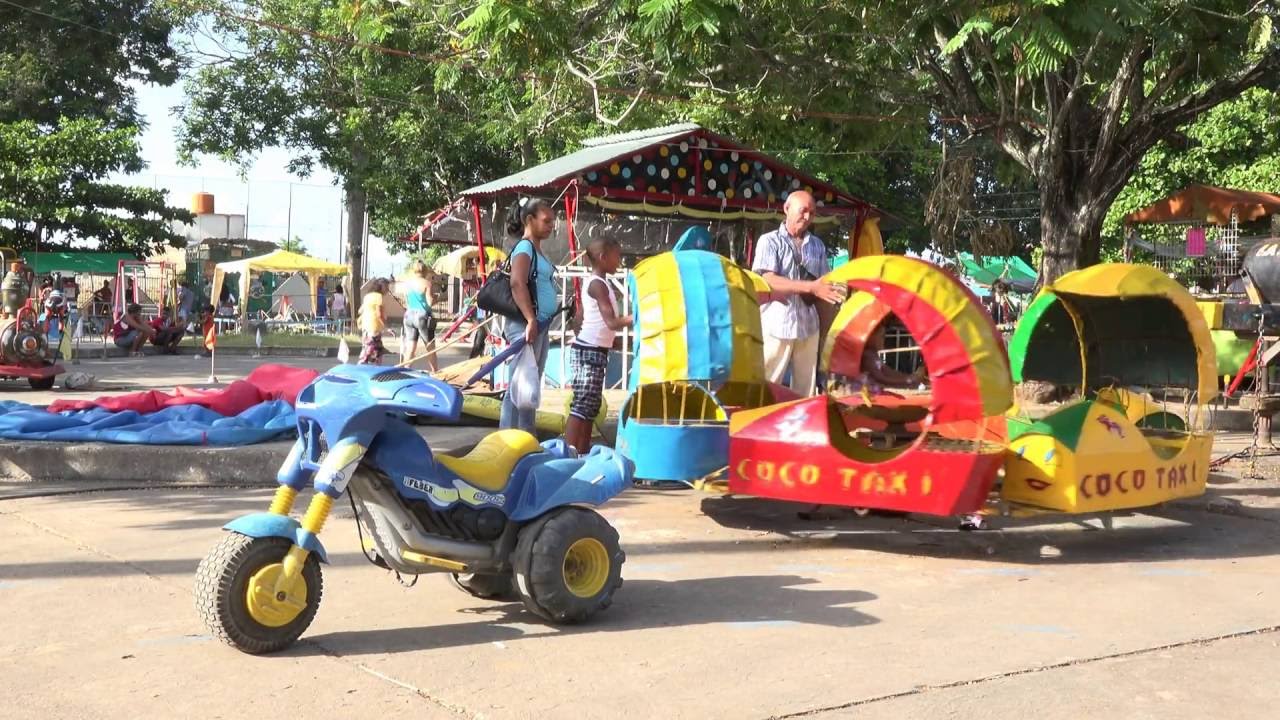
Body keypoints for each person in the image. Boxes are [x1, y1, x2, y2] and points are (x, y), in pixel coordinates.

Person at [751, 190, 845, 397]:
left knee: (806, 393)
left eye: (812, 213)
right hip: (777, 326)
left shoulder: (817, 245)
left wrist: (830, 333)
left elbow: (825, 288)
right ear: (787, 208)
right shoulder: (769, 241)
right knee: (766, 388)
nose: (807, 216)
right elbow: (768, 280)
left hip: (809, 327)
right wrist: (811, 287)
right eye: (803, 210)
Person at [565, 238, 632, 454]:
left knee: (591, 407)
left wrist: (607, 341)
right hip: (589, 352)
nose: (619, 261)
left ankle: (582, 452)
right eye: (616, 256)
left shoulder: (600, 283)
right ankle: (568, 452)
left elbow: (581, 319)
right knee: (582, 405)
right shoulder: (597, 285)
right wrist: (638, 317)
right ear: (603, 258)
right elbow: (611, 322)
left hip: (592, 349)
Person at [501, 197, 559, 433]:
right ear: (529, 220)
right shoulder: (525, 248)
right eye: (546, 221)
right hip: (526, 325)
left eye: (553, 221)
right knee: (519, 385)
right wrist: (530, 319)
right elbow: (517, 283)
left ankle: (525, 436)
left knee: (529, 385)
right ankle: (508, 438)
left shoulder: (537, 251)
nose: (551, 226)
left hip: (539, 325)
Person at [401, 261, 439, 371]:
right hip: (422, 316)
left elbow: (407, 302)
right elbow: (430, 302)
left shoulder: (407, 284)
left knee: (411, 346)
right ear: (425, 271)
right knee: (430, 346)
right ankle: (435, 372)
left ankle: (405, 370)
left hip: (409, 315)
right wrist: (437, 298)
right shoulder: (427, 283)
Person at [358, 278, 387, 364]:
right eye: (386, 287)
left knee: (373, 350)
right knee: (371, 351)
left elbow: (360, 311)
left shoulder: (368, 296)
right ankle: (363, 365)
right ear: (381, 286)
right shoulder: (379, 297)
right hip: (374, 328)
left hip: (365, 327)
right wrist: (386, 327)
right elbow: (379, 314)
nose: (387, 289)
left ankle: (370, 366)